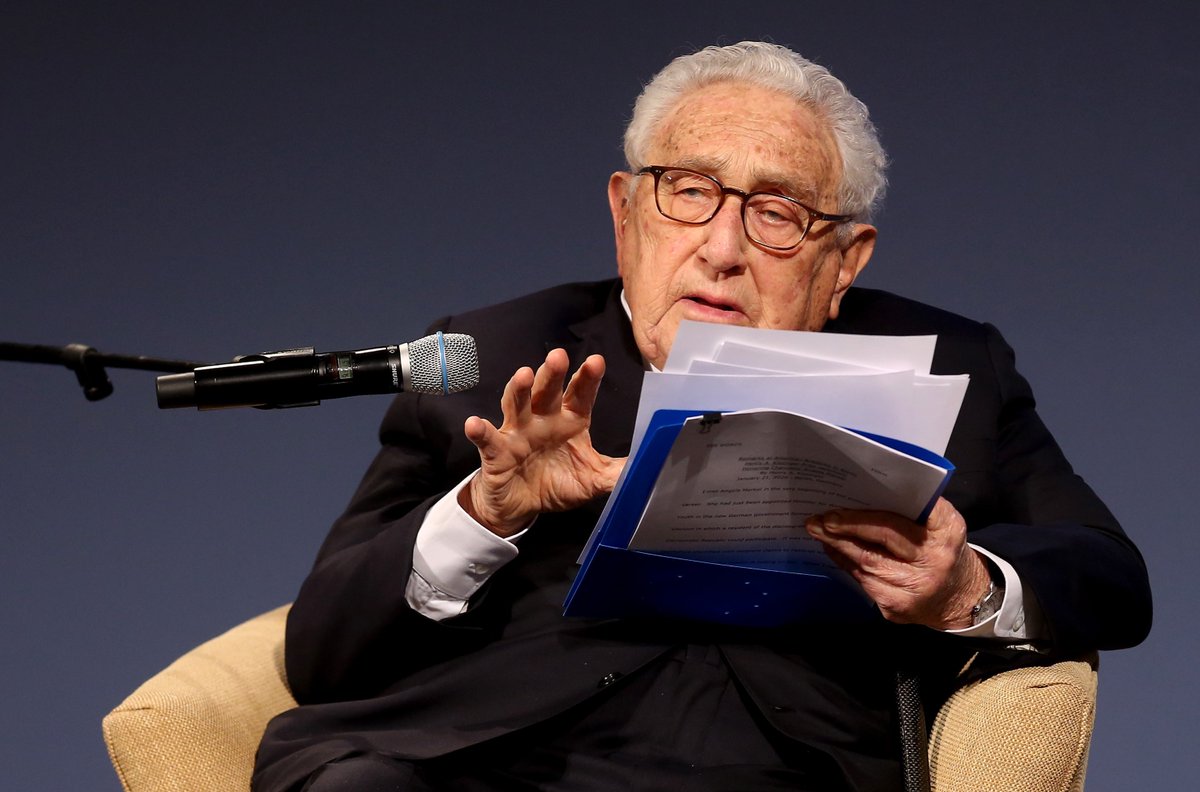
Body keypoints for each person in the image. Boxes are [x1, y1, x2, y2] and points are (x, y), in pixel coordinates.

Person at [252, 41, 1151, 792]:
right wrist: (484, 514)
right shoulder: (493, 356)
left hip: (781, 760)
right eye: (689, 191)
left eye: (777, 214)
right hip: (479, 757)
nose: (722, 249)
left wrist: (962, 588)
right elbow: (320, 651)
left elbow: (1109, 575)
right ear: (626, 213)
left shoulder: (949, 367)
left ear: (845, 262)